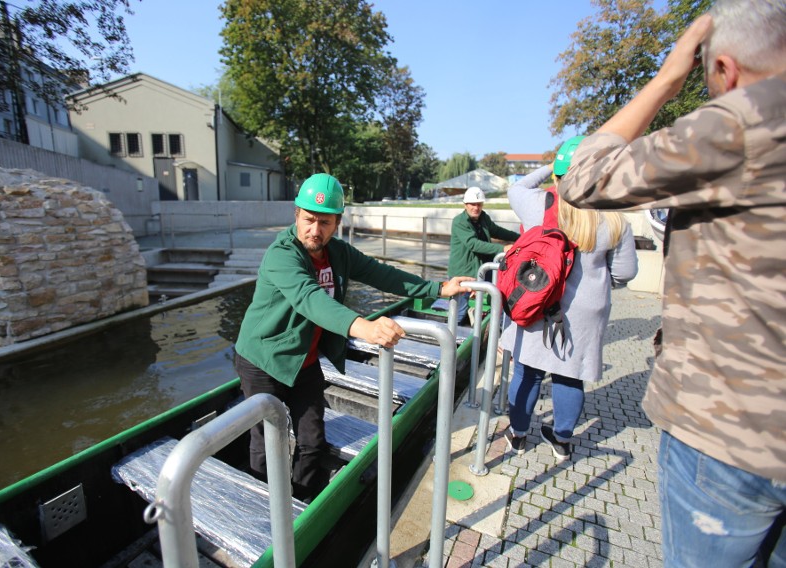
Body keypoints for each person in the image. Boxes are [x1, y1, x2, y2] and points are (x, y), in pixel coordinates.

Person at [556, 1, 786, 565]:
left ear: (724, 69)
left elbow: (583, 175)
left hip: (729, 431)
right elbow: (628, 269)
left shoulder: (743, 121)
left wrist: (667, 76)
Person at [233, 172, 473, 502]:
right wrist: (365, 327)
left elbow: (383, 275)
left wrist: (438, 288)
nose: (315, 230)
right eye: (308, 220)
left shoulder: (339, 254)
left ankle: (303, 504)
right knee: (265, 443)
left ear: (338, 223)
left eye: (325, 222)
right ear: (296, 214)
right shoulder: (282, 254)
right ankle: (264, 510)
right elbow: (309, 299)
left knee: (312, 440)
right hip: (263, 361)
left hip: (304, 362)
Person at [500, 137, 639, 462]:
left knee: (527, 371)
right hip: (585, 314)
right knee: (570, 375)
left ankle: (518, 435)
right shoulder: (615, 219)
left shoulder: (540, 206)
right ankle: (561, 439)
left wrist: (553, 165)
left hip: (539, 302)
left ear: (560, 177)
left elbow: (516, 187)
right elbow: (625, 273)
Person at [448, 186, 519, 325]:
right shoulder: (459, 222)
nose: (476, 208)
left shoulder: (483, 218)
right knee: (459, 310)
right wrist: (503, 248)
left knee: (498, 292)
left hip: (481, 269)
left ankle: (493, 323)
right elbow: (473, 244)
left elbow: (497, 231)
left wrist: (520, 238)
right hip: (463, 272)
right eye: (472, 204)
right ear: (465, 205)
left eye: (479, 204)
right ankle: (451, 341)